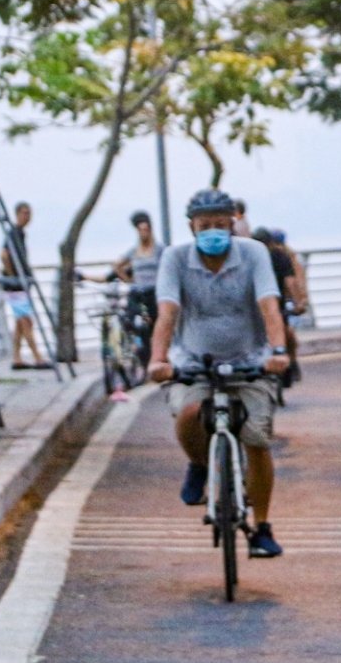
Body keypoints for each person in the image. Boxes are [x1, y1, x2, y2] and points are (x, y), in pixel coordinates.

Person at [148, 190, 292, 558]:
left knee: (256, 438)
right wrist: (158, 360)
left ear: (232, 223)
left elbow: (269, 306)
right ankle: (198, 464)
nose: (213, 231)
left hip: (251, 360)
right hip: (193, 360)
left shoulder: (253, 253)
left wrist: (278, 352)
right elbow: (167, 312)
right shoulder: (175, 258)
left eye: (220, 224)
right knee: (189, 413)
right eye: (204, 225)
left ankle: (261, 527)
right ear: (192, 228)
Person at [251, 227, 303, 381]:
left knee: (287, 333)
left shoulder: (279, 257)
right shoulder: (253, 258)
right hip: (255, 306)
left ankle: (292, 362)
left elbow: (290, 281)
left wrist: (297, 302)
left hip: (275, 304)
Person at [1, 202, 47, 369]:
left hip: (20, 283)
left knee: (20, 322)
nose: (27, 217)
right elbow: (4, 255)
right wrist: (12, 275)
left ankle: (16, 357)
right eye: (24, 213)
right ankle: (38, 357)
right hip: (15, 284)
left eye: (29, 213)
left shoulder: (20, 234)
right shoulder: (13, 233)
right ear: (17, 214)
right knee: (26, 320)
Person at [111, 211, 161, 356]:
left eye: (145, 230)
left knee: (155, 322)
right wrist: (128, 281)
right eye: (140, 230)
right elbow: (118, 266)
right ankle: (135, 344)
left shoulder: (159, 249)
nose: (143, 233)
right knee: (132, 317)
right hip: (137, 290)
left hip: (154, 291)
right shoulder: (133, 251)